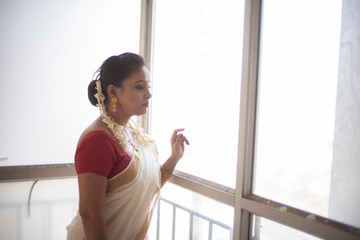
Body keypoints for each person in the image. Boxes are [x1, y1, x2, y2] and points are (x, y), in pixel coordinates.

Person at [66, 52, 189, 240]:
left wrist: (174, 158)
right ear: (113, 91)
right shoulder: (97, 141)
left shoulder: (134, 133)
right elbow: (89, 214)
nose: (149, 94)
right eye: (140, 87)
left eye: (148, 86)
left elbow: (147, 186)